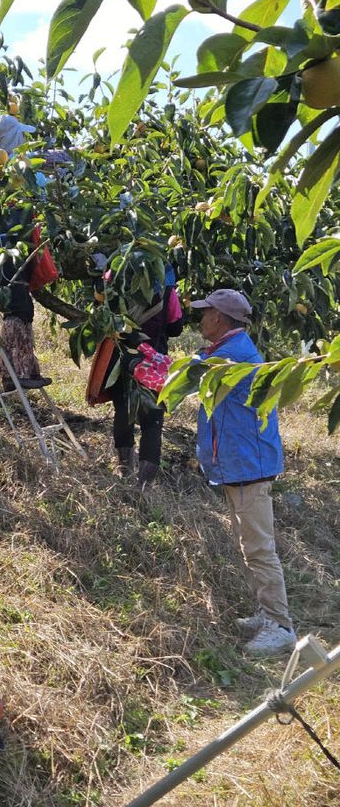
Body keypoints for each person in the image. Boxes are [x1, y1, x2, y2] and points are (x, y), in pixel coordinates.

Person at [191, 288, 297, 656]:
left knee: (259, 548)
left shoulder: (231, 359)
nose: (201, 319)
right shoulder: (226, 352)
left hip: (249, 465)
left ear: (219, 319)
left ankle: (280, 625)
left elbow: (189, 376)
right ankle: (266, 613)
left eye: (205, 313)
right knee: (249, 546)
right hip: (240, 464)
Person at [0, 114, 57, 391]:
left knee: (20, 305)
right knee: (16, 305)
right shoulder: (4, 167)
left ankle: (20, 370)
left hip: (3, 242)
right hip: (4, 243)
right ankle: (14, 373)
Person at [87, 261, 183, 485]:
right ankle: (144, 486)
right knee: (152, 421)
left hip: (122, 356)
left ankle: (125, 472)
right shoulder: (166, 286)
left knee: (123, 410)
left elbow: (100, 309)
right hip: (153, 359)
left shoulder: (114, 278)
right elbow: (176, 327)